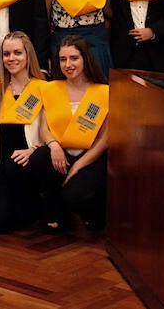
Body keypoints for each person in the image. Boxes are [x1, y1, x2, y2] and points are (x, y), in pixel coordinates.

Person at [36, 35, 111, 230]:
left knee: (75, 195)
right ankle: (55, 211)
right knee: (39, 157)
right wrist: (53, 146)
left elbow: (104, 140)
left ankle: (94, 214)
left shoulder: (104, 91)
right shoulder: (51, 88)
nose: (68, 64)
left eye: (74, 58)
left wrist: (78, 166)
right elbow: (45, 128)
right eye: (63, 59)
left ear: (85, 58)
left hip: (90, 156)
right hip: (60, 152)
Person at [0, 31, 50, 234]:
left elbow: (52, 130)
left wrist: (34, 150)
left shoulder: (44, 87)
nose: (11, 59)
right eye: (6, 54)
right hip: (3, 167)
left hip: (30, 161)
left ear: (28, 55)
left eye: (17, 53)